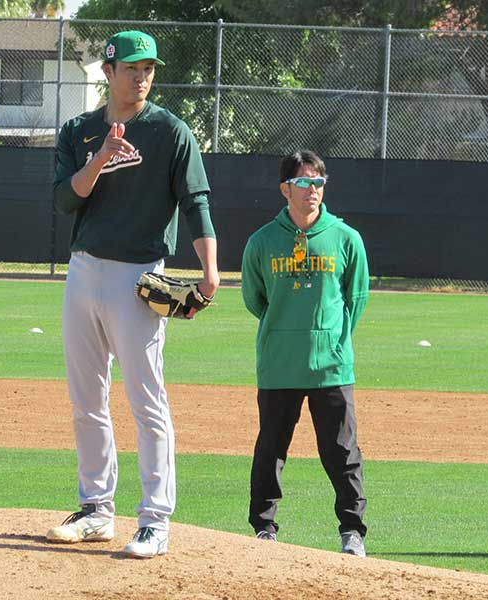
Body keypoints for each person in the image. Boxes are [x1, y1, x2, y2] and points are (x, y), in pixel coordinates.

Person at [47, 30, 219, 558]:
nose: (142, 76)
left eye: (149, 68)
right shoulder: (78, 130)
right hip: (83, 270)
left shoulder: (170, 131)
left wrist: (210, 269)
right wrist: (99, 158)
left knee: (147, 399)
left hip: (139, 275)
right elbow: (63, 202)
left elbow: (196, 202)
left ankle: (155, 519)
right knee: (85, 399)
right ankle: (97, 509)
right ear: (108, 71)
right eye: (132, 68)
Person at [241, 150, 369, 556]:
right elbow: (254, 298)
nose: (312, 189)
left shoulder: (346, 238)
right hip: (279, 363)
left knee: (342, 452)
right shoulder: (262, 242)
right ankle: (264, 528)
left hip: (330, 365)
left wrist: (330, 338)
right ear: (285, 189)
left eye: (318, 182)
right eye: (303, 182)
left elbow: (356, 297)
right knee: (271, 448)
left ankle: (352, 532)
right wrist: (286, 329)